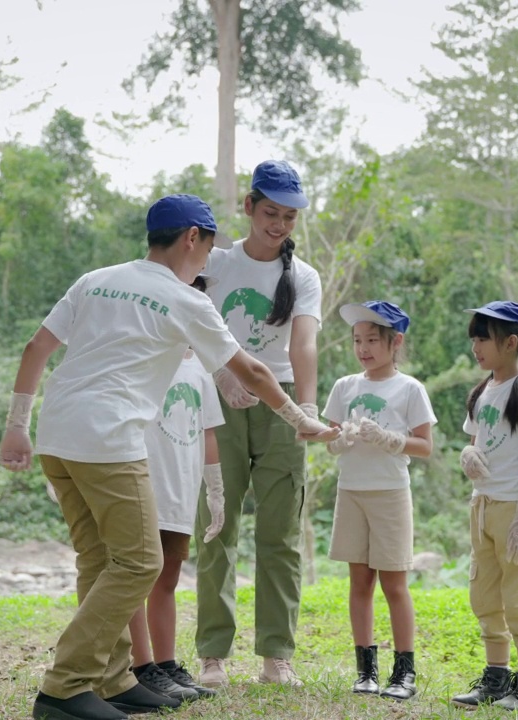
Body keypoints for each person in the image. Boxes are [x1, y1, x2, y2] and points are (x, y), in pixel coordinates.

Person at [0, 194, 336, 720]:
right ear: (191, 239)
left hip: (57, 434)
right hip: (109, 441)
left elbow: (35, 348)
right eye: (207, 248)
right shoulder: (185, 298)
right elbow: (254, 371)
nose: (207, 262)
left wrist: (17, 427)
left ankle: (111, 679)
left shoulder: (96, 279)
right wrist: (300, 418)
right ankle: (64, 684)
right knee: (140, 561)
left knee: (99, 559)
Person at [194, 159, 323, 688]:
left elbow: (304, 343)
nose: (279, 224)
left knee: (280, 534)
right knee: (217, 526)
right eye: (271, 212)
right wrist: (221, 375)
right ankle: (212, 656)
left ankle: (276, 655)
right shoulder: (215, 263)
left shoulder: (303, 276)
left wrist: (307, 410)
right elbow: (189, 325)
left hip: (280, 403)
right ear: (248, 207)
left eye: (289, 217)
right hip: (217, 398)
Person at [321, 301, 436, 701]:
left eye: (372, 339)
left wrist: (392, 440)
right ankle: (365, 670)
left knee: (395, 584)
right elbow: (329, 435)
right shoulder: (345, 387)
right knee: (359, 582)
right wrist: (338, 439)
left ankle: (404, 672)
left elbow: (425, 445)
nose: (363, 348)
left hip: (389, 493)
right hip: (351, 491)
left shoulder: (409, 389)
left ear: (395, 341)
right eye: (357, 340)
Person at [449, 301, 518, 713]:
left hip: (516, 510)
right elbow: (479, 444)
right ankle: (495, 679)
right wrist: (466, 455)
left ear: (511, 343)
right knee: (485, 596)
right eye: (474, 338)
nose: (476, 347)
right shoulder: (482, 391)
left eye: (483, 339)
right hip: (483, 507)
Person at [125, 274, 224, 703]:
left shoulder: (201, 369)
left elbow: (209, 434)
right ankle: (139, 666)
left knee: (166, 580)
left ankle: (165, 665)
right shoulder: (141, 359)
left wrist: (215, 491)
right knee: (134, 578)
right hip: (144, 485)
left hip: (182, 491)